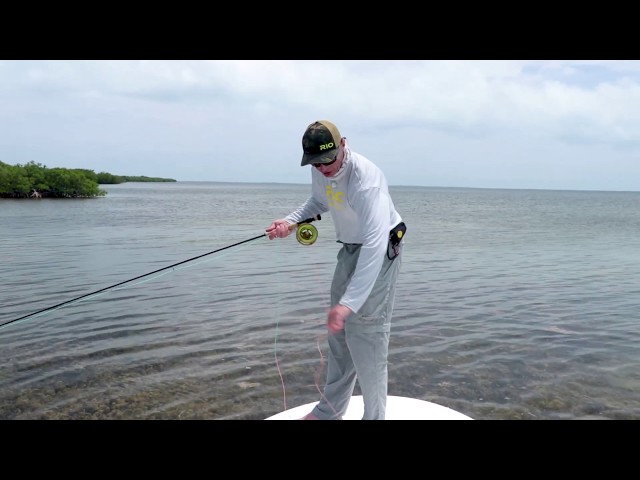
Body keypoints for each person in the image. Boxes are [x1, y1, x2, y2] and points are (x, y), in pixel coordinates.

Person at [265, 120, 405, 420]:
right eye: (315, 164)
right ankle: (329, 412)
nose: (324, 169)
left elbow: (375, 246)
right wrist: (289, 223)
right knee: (339, 336)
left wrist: (349, 303)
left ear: (343, 145)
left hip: (380, 251)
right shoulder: (321, 171)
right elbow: (319, 201)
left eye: (328, 160)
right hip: (351, 248)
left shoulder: (366, 181)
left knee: (367, 338)